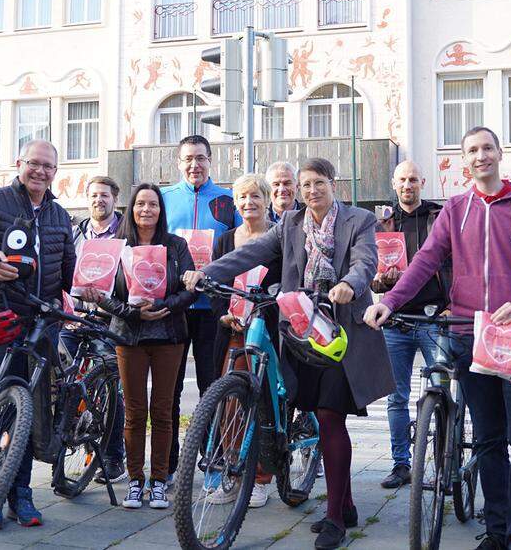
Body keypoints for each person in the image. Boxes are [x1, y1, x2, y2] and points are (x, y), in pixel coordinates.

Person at [366, 127, 511, 550]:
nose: (481, 156)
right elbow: (424, 261)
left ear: (499, 153)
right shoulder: (455, 209)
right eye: (472, 150)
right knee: (491, 437)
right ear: (464, 160)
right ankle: (496, 531)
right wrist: (392, 301)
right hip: (470, 334)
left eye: (487, 148)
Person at [185, 158, 393, 550]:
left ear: (334, 184)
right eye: (306, 184)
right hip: (301, 328)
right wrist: (209, 273)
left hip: (341, 334)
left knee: (331, 417)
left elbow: (367, 260)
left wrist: (350, 283)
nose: (312, 190)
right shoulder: (291, 225)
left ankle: (334, 517)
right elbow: (252, 252)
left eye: (319, 183)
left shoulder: (359, 219)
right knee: (315, 411)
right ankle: (344, 503)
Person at [0, 139, 76, 530]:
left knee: (31, 411)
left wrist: (82, 290)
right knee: (4, 405)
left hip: (44, 324)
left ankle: (20, 495)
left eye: (48, 167)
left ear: (55, 172)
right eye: (34, 164)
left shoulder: (61, 215)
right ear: (19, 163)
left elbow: (70, 272)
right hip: (4, 317)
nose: (40, 172)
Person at [80, 184, 197, 511]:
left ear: (161, 210)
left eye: (153, 205)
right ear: (131, 209)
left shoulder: (176, 246)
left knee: (162, 412)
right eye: (141, 204)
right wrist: (134, 312)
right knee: (133, 413)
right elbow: (105, 293)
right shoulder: (118, 247)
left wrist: (168, 306)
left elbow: (191, 289)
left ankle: (159, 481)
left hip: (169, 335)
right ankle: (135, 481)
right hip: (129, 337)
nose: (147, 210)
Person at [159, 134, 240, 482]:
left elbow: (242, 247)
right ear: (178, 163)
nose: (195, 165)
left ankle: (212, 459)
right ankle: (171, 464)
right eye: (188, 158)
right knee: (170, 389)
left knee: (211, 387)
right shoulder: (162, 199)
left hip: (212, 306)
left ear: (211, 161)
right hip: (174, 306)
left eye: (202, 158)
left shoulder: (227, 200)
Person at [370, 160, 449, 490]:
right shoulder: (383, 224)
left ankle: (447, 466)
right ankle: (401, 464)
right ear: (394, 182)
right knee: (395, 398)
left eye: (413, 179)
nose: (407, 185)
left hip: (435, 318)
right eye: (402, 180)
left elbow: (454, 263)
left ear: (422, 182)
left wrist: (452, 305)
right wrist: (379, 281)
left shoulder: (438, 217)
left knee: (445, 394)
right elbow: (374, 282)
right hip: (397, 320)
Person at [208, 173, 282, 508]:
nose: (248, 202)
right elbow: (214, 283)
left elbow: (285, 282)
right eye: (242, 197)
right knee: (231, 403)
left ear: (267, 199)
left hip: (267, 329)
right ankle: (234, 472)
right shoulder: (225, 240)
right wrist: (223, 313)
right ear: (235, 203)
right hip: (234, 329)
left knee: (264, 401)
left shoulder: (278, 238)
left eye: (255, 196)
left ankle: (262, 478)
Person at [67, 175, 127, 484]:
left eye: (104, 195)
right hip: (74, 317)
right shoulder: (76, 232)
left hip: (107, 320)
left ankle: (115, 457)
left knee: (113, 385)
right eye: (93, 195)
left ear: (115, 199)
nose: (98, 200)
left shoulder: (126, 234)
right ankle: (67, 429)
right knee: (59, 377)